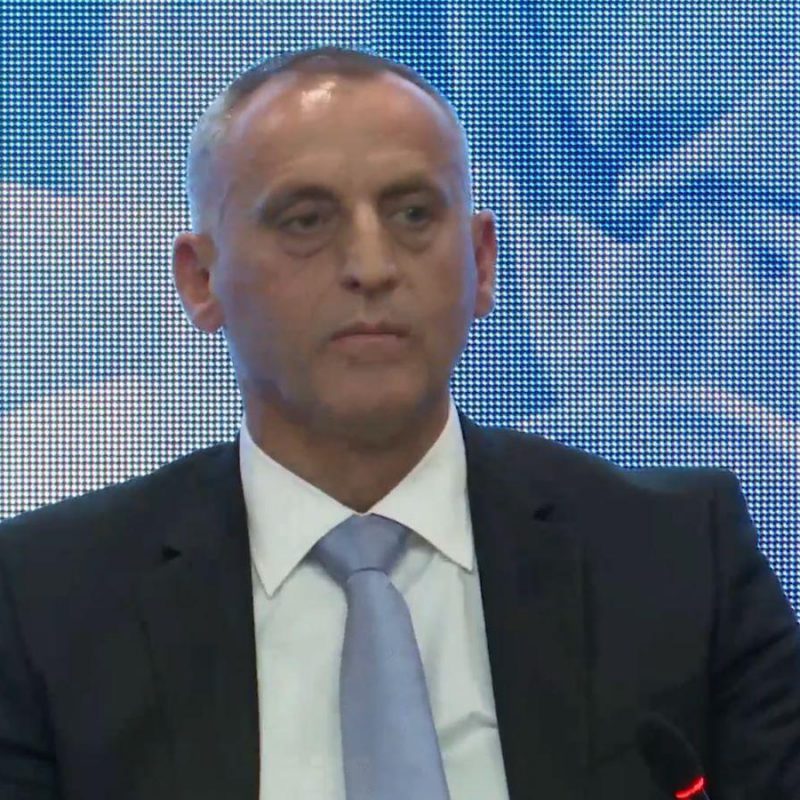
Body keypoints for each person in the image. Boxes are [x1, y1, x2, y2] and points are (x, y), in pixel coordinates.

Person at [0, 45, 798, 800]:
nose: (372, 267)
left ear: (482, 261)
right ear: (201, 280)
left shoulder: (676, 558)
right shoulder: (46, 604)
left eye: (414, 214)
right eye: (306, 221)